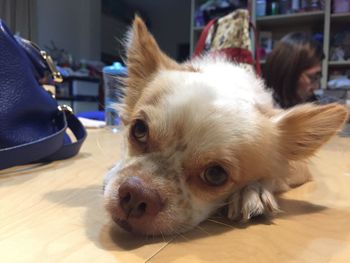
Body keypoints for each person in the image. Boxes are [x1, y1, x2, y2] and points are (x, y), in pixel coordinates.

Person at [263, 32, 325, 109]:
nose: (316, 87)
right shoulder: (262, 113)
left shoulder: (311, 103)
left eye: (318, 77)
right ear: (288, 75)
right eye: (312, 77)